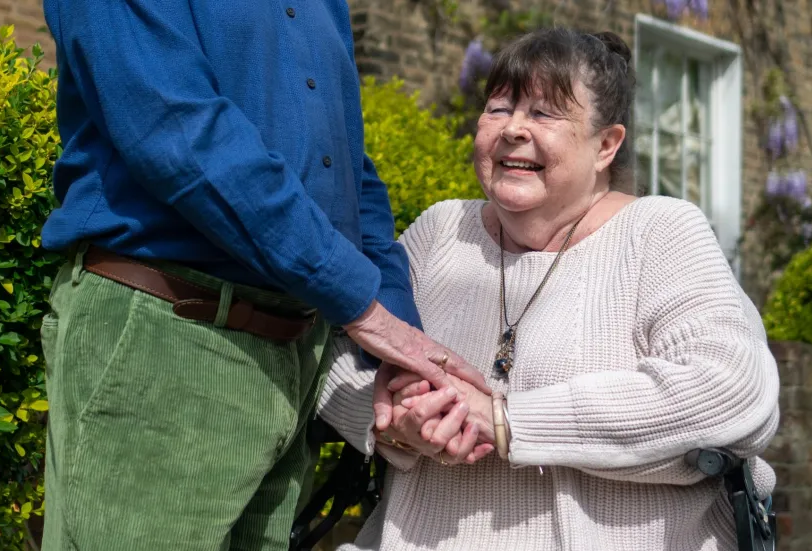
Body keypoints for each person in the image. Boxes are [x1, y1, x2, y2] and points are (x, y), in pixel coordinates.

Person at [37, 2, 489, 550]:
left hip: (292, 353)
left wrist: (398, 345)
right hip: (168, 334)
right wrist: (362, 307)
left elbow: (345, 166)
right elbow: (180, 134)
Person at [318, 28, 780, 550]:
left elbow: (733, 391)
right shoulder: (441, 231)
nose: (514, 129)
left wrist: (505, 419)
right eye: (498, 108)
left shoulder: (659, 232)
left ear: (606, 145)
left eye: (543, 113)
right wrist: (391, 422)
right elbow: (332, 353)